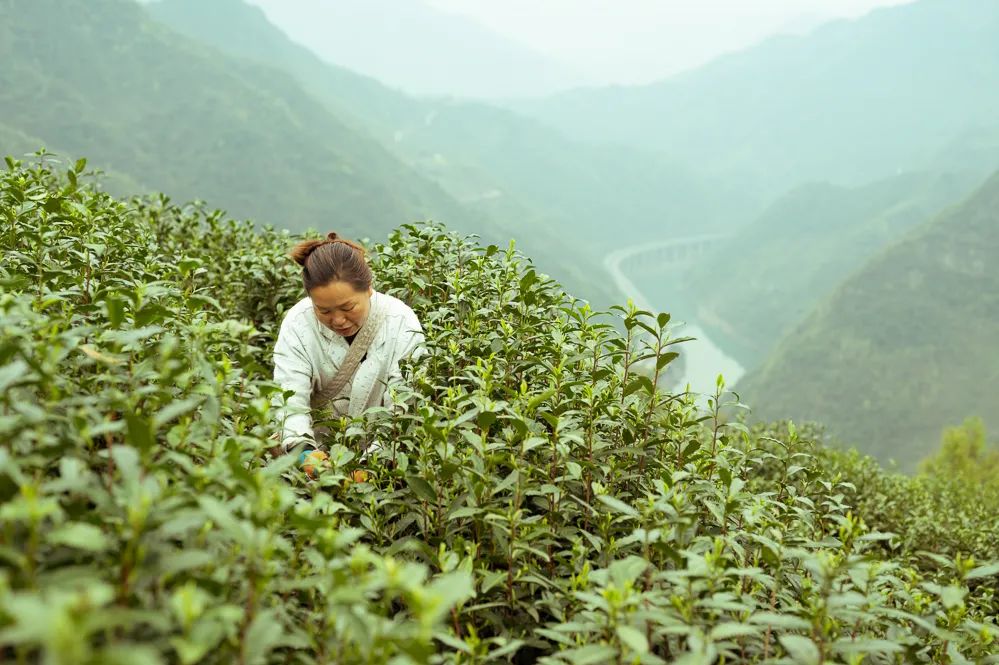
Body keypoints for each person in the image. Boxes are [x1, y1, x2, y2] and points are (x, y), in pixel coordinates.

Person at [272, 232, 424, 459]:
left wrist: (371, 464)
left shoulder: (401, 321)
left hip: (384, 466)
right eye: (324, 311)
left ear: (368, 288)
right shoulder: (298, 323)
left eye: (348, 307)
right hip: (314, 461)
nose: (338, 320)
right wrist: (305, 455)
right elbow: (289, 399)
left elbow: (402, 406)